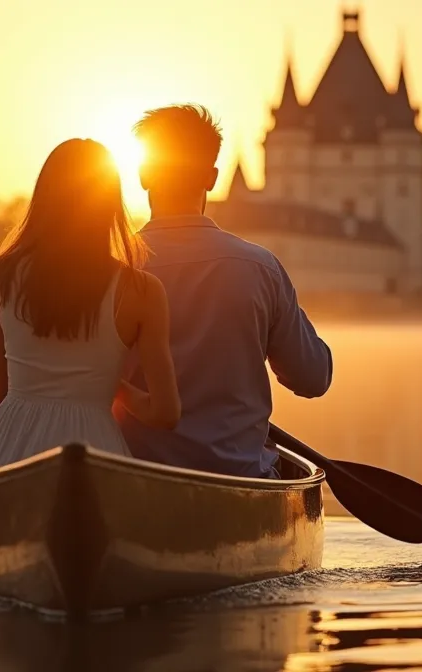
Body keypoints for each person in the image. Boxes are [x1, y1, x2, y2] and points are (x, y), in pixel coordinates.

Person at [116, 105, 333, 478]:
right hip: (241, 474)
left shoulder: (109, 270)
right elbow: (313, 377)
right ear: (212, 177)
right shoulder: (261, 268)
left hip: (130, 476)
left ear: (143, 175)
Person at [0, 138, 181, 477]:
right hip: (95, 448)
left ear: (44, 199)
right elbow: (165, 413)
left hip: (6, 451)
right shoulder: (141, 291)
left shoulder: (2, 276)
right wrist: (115, 387)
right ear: (109, 203)